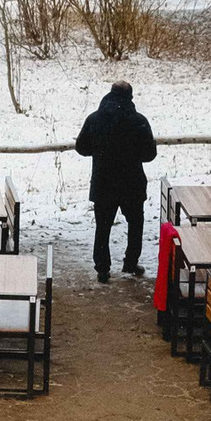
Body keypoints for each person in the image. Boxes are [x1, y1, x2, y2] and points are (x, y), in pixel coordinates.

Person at [75, 81, 158, 282]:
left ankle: (103, 268)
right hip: (132, 184)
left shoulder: (94, 119)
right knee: (135, 224)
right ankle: (130, 263)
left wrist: (100, 151)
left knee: (102, 227)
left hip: (104, 183)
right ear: (130, 96)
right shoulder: (139, 121)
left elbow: (81, 147)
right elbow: (149, 154)